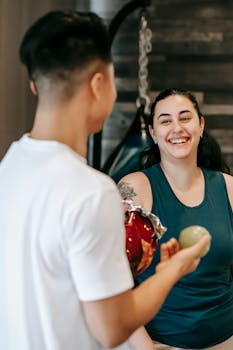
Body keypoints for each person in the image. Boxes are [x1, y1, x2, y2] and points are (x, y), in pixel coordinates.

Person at [0, 11, 210, 350]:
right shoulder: (91, 191)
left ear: (35, 85)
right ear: (99, 84)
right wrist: (174, 269)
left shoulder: (8, 169)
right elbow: (112, 328)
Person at [118, 88, 233, 350]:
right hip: (158, 343)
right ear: (154, 132)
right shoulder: (135, 189)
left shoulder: (228, 187)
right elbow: (116, 280)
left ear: (201, 125)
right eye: (165, 120)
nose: (176, 128)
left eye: (185, 117)